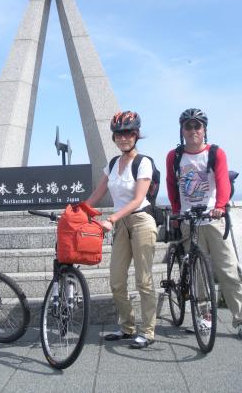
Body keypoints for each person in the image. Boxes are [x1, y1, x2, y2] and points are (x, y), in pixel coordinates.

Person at [166, 108, 242, 339]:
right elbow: (171, 185)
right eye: (188, 126)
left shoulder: (215, 153)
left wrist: (220, 206)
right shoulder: (174, 156)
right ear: (182, 130)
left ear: (204, 129)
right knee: (197, 274)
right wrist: (177, 212)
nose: (192, 130)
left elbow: (222, 182)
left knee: (228, 269)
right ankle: (204, 318)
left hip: (212, 218)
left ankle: (239, 318)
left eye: (197, 126)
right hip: (189, 220)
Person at [86, 111, 157, 349]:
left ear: (136, 135)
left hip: (140, 221)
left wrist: (112, 218)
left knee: (143, 280)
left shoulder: (143, 162)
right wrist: (76, 210)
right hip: (121, 226)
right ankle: (127, 327)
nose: (123, 138)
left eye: (128, 133)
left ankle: (147, 331)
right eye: (118, 134)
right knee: (116, 281)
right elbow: (98, 193)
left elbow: (138, 199)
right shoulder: (113, 163)